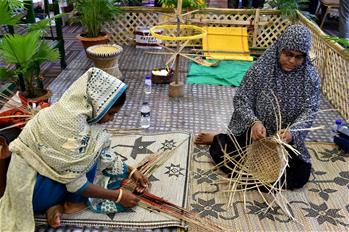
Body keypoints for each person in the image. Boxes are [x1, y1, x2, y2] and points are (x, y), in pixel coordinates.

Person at [0, 68, 150, 231]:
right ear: (97, 105)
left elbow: (98, 152)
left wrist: (130, 171)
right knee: (85, 161)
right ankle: (72, 204)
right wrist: (119, 196)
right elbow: (77, 185)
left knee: (89, 151)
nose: (111, 119)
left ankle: (54, 206)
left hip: (32, 183)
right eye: (111, 114)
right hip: (30, 195)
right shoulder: (72, 128)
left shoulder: (71, 110)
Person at [195, 24, 321, 190]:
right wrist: (254, 122)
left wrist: (292, 133)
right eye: (288, 54)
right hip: (255, 135)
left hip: (285, 142)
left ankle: (261, 175)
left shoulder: (310, 78)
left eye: (298, 57)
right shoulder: (261, 69)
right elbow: (241, 98)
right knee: (224, 155)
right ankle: (218, 138)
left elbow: (310, 110)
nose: (292, 61)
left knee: (299, 176)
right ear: (279, 48)